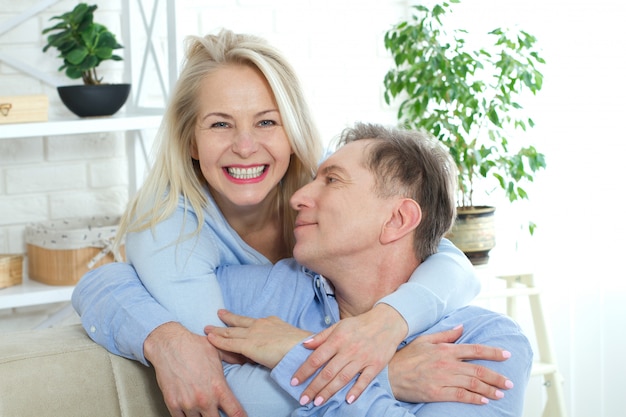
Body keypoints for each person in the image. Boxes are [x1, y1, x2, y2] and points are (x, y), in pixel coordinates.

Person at [72, 30, 505, 417]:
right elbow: (222, 375)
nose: (246, 146)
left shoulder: (310, 185)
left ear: (292, 129)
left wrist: (388, 321)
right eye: (220, 124)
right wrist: (384, 373)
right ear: (191, 140)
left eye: (266, 122)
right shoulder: (168, 229)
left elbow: (439, 253)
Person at [205, 122, 533, 416]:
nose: (298, 198)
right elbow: (158, 287)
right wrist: (386, 375)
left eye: (331, 180)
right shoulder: (279, 287)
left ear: (397, 220)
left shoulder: (486, 343)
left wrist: (295, 350)